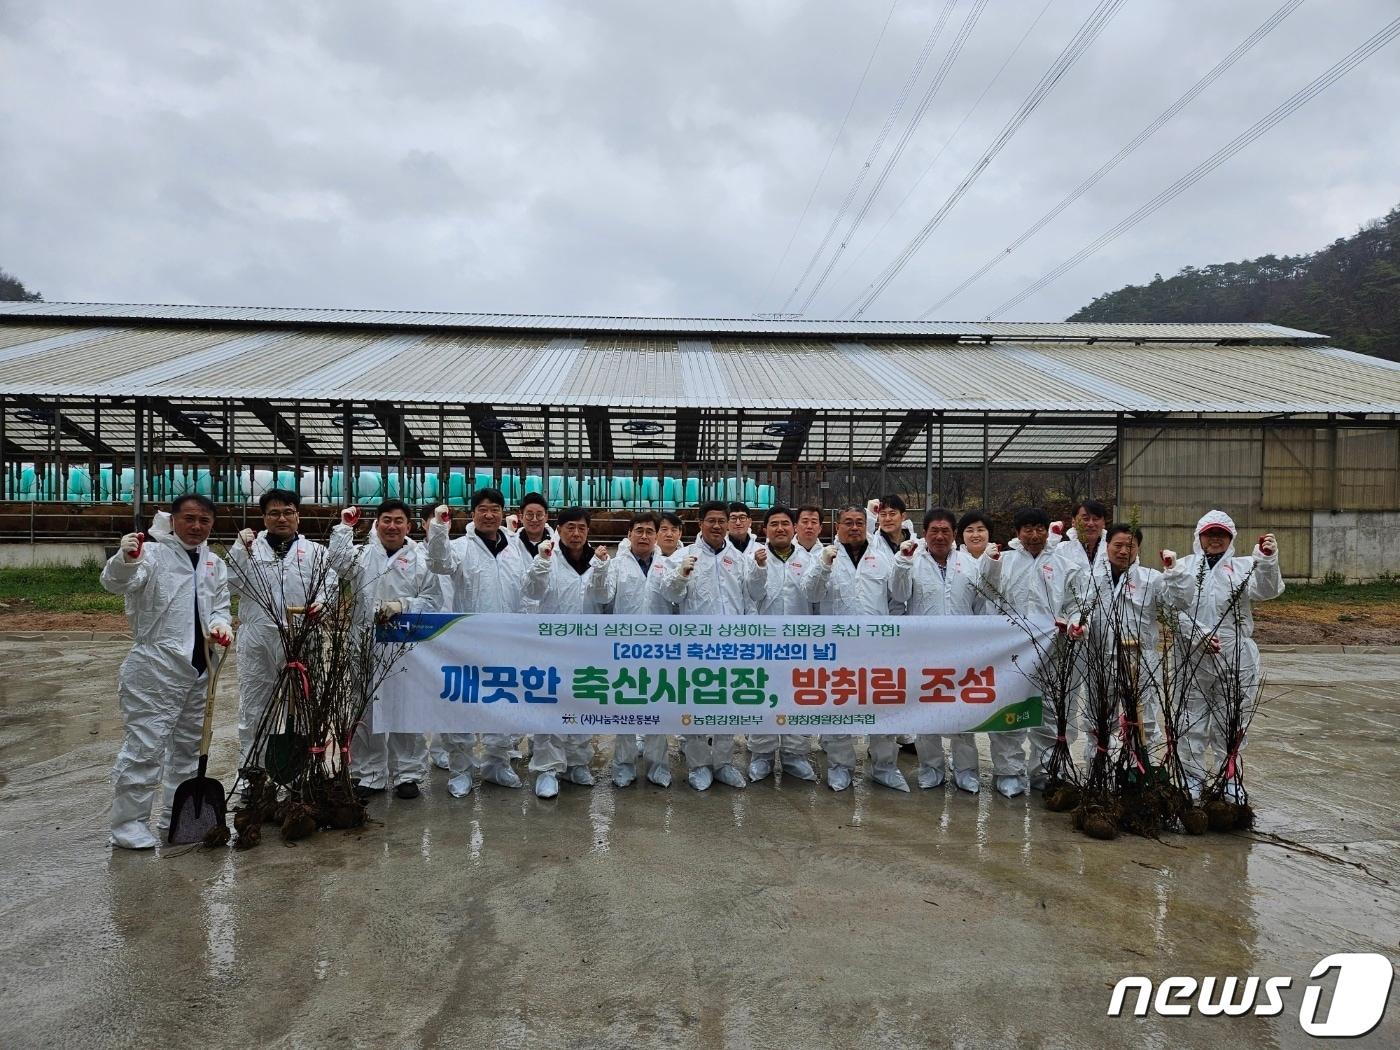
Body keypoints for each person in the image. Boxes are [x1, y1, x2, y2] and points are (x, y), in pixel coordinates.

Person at [102, 496, 232, 849]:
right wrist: (125, 559)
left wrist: (221, 625)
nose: (196, 526)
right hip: (154, 667)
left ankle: (175, 815)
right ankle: (128, 824)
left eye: (204, 520)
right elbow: (118, 583)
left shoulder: (214, 563)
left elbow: (219, 605)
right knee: (145, 747)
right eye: (189, 518)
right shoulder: (153, 554)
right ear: (172, 520)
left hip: (200, 667)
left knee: (188, 749)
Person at [1159, 511, 1283, 800]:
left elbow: (1267, 591)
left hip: (1234, 652)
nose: (1215, 539)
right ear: (1198, 537)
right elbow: (1169, 608)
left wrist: (1266, 561)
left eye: (1221, 535)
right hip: (1192, 655)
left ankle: (1228, 776)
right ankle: (1191, 776)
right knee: (1191, 715)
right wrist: (1196, 633)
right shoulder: (1184, 566)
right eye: (1209, 534)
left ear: (1231, 539)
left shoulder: (1243, 567)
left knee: (1231, 716)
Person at [327, 500, 443, 801]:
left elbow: (432, 601)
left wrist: (403, 606)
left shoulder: (421, 559)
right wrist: (344, 528)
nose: (392, 526)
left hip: (405, 646)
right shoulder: (364, 556)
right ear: (377, 523)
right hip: (364, 643)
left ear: (409, 526)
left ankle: (407, 773)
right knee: (366, 710)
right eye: (386, 520)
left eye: (399, 521)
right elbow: (338, 562)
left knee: (406, 708)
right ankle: (370, 772)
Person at [426, 487, 529, 797]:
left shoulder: (515, 548)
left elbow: (525, 592)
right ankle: (461, 770)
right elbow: (438, 564)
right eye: (482, 509)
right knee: (461, 707)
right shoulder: (460, 547)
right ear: (473, 514)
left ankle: (497, 764)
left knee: (503, 704)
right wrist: (439, 530)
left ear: (502, 512)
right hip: (467, 641)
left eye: (495, 508)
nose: (489, 514)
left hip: (506, 640)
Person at [661, 500, 767, 790]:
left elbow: (754, 597)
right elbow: (671, 597)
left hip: (732, 647)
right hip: (696, 648)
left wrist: (759, 569)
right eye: (712, 521)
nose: (718, 526)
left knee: (727, 707)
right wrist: (680, 574)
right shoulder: (684, 556)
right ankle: (698, 766)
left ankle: (723, 764)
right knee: (695, 707)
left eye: (722, 521)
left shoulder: (740, 557)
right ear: (700, 523)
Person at [229, 489, 337, 771]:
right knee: (255, 705)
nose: (282, 518)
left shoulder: (316, 552)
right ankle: (253, 767)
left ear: (297, 517)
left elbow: (330, 587)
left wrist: (322, 605)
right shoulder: (249, 550)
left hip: (302, 634)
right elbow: (227, 584)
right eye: (274, 513)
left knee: (302, 704)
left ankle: (297, 769)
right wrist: (239, 551)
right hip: (258, 637)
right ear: (263, 518)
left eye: (288, 512)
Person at [803, 506, 908, 792]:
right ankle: (840, 766)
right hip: (838, 648)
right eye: (847, 522)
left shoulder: (883, 557)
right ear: (837, 526)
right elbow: (811, 595)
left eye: (859, 522)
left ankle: (885, 766)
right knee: (839, 707)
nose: (854, 527)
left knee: (883, 707)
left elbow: (898, 599)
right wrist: (823, 566)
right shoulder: (822, 556)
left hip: (878, 647)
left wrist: (889, 631)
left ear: (866, 525)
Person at [978, 507, 1079, 797]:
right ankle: (1008, 772)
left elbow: (1074, 603)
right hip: (1012, 651)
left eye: (1039, 529)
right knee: (1011, 711)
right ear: (1017, 533)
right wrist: (991, 564)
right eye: (1027, 530)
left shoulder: (1062, 563)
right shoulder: (1004, 561)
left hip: (1052, 650)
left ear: (1048, 531)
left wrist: (1072, 622)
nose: (1034, 535)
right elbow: (987, 596)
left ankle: (1044, 771)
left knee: (1047, 712)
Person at [889, 508, 984, 793]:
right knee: (925, 712)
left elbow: (981, 606)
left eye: (945, 531)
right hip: (925, 651)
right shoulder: (913, 561)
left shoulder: (970, 564)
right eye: (934, 531)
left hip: (962, 651)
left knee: (963, 714)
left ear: (954, 534)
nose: (940, 536)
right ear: (925, 533)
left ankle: (966, 771)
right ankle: (931, 768)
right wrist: (903, 564)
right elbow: (899, 595)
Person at [522, 507, 603, 798]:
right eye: (570, 527)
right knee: (551, 708)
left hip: (587, 648)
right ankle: (547, 768)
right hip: (552, 647)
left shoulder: (599, 561)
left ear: (588, 530)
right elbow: (531, 592)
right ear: (559, 529)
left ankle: (577, 762)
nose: (576, 533)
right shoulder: (547, 557)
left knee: (582, 704)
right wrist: (541, 564)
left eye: (581, 527)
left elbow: (606, 601)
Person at [588, 512, 675, 787]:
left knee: (658, 708)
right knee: (625, 708)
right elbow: (603, 598)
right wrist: (601, 569)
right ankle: (623, 765)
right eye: (639, 531)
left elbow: (677, 600)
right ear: (629, 535)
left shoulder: (667, 565)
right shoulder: (616, 565)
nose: (645, 536)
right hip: (625, 649)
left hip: (660, 649)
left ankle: (658, 765)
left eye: (650, 531)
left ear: (657, 535)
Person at [745, 506, 818, 782]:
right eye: (773, 524)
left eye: (785, 524)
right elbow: (753, 595)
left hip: (800, 644)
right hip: (765, 644)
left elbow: (816, 596)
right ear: (765, 530)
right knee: (765, 698)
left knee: (797, 698)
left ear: (794, 528)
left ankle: (795, 756)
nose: (780, 529)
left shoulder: (810, 559)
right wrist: (759, 569)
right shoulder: (754, 557)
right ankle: (762, 755)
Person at [1085, 525, 1167, 759]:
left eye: (1129, 546)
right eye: (1117, 545)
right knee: (1098, 720)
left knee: (1143, 721)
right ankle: (1099, 770)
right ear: (1106, 545)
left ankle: (1139, 769)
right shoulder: (1092, 579)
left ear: (1138, 548)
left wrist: (1175, 576)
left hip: (1140, 660)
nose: (1123, 551)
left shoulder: (1151, 579)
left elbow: (1174, 607)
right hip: (1100, 659)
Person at [509, 491, 555, 559]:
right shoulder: (511, 545)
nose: (534, 520)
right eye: (529, 515)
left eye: (539, 515)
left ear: (546, 517)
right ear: (521, 517)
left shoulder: (557, 545)